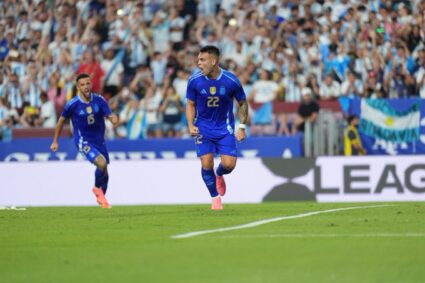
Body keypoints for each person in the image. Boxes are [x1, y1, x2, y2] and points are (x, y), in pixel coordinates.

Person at [186, 45, 249, 210]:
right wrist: (190, 125)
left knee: (229, 165)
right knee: (206, 163)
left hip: (224, 128)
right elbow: (190, 104)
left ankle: (219, 174)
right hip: (203, 128)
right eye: (198, 59)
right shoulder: (194, 81)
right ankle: (215, 199)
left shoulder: (231, 80)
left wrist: (241, 126)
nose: (199, 63)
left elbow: (243, 103)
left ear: (213, 61)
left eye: (202, 60)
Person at [50, 73, 118, 208]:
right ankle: (97, 188)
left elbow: (109, 114)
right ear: (78, 87)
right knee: (102, 164)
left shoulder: (99, 100)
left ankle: (101, 197)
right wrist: (55, 141)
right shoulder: (73, 104)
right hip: (84, 141)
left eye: (88, 83)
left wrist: (113, 118)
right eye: (82, 85)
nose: (86, 87)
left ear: (91, 84)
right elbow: (61, 121)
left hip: (99, 141)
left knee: (105, 173)